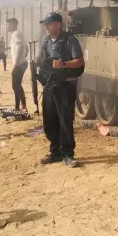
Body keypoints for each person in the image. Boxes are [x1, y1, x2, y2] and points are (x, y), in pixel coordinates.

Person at [35, 12, 85, 167]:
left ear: (57, 24)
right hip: (49, 85)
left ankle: (67, 154)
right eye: (45, 24)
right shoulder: (45, 40)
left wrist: (63, 64)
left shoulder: (70, 40)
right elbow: (42, 59)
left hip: (65, 85)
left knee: (64, 121)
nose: (45, 27)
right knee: (49, 121)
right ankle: (55, 152)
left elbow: (80, 61)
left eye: (48, 24)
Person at [6, 18, 29, 112]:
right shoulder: (19, 33)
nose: (7, 27)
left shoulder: (15, 34)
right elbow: (26, 48)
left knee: (15, 86)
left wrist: (17, 62)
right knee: (17, 85)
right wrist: (23, 58)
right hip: (22, 63)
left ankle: (23, 105)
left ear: (12, 25)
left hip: (19, 64)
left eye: (8, 25)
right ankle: (17, 107)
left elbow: (20, 46)